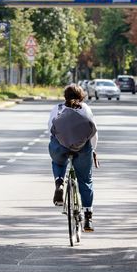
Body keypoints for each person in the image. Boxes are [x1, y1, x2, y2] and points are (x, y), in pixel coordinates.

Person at [48, 84, 99, 231]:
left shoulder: (57, 109)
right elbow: (93, 132)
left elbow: (50, 130)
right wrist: (93, 150)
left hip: (60, 146)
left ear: (65, 96)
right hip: (82, 148)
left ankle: (59, 182)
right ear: (82, 96)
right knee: (85, 180)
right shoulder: (85, 109)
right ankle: (88, 217)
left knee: (58, 161)